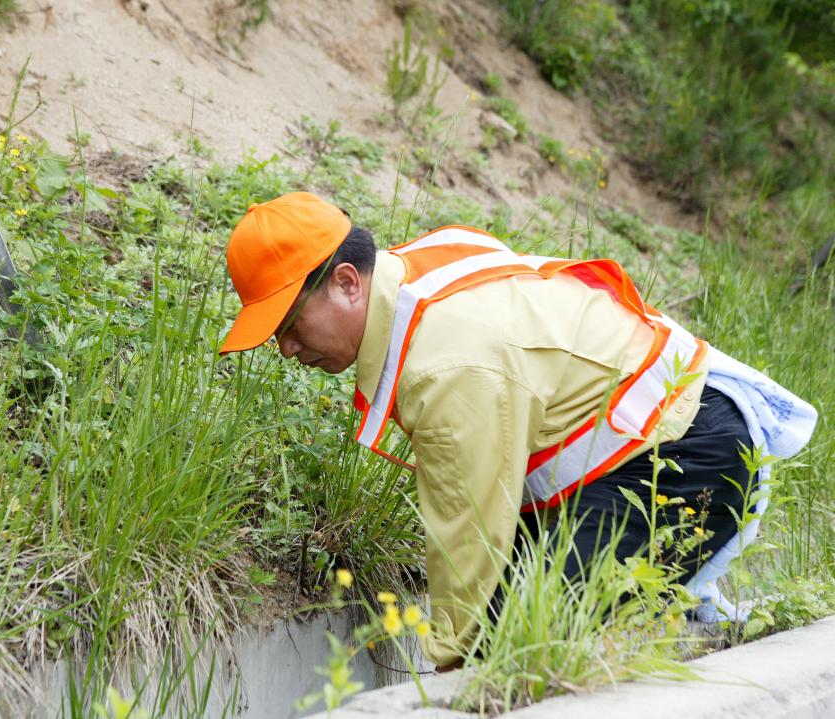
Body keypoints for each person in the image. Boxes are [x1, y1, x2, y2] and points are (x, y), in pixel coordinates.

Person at [218, 192, 817, 669]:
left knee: (520, 646)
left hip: (688, 455)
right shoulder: (418, 269)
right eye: (274, 334)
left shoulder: (444, 364)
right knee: (510, 616)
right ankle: (669, 622)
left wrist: (455, 669)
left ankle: (683, 637)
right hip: (647, 442)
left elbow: (469, 529)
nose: (287, 348)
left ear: (349, 282)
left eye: (291, 323)